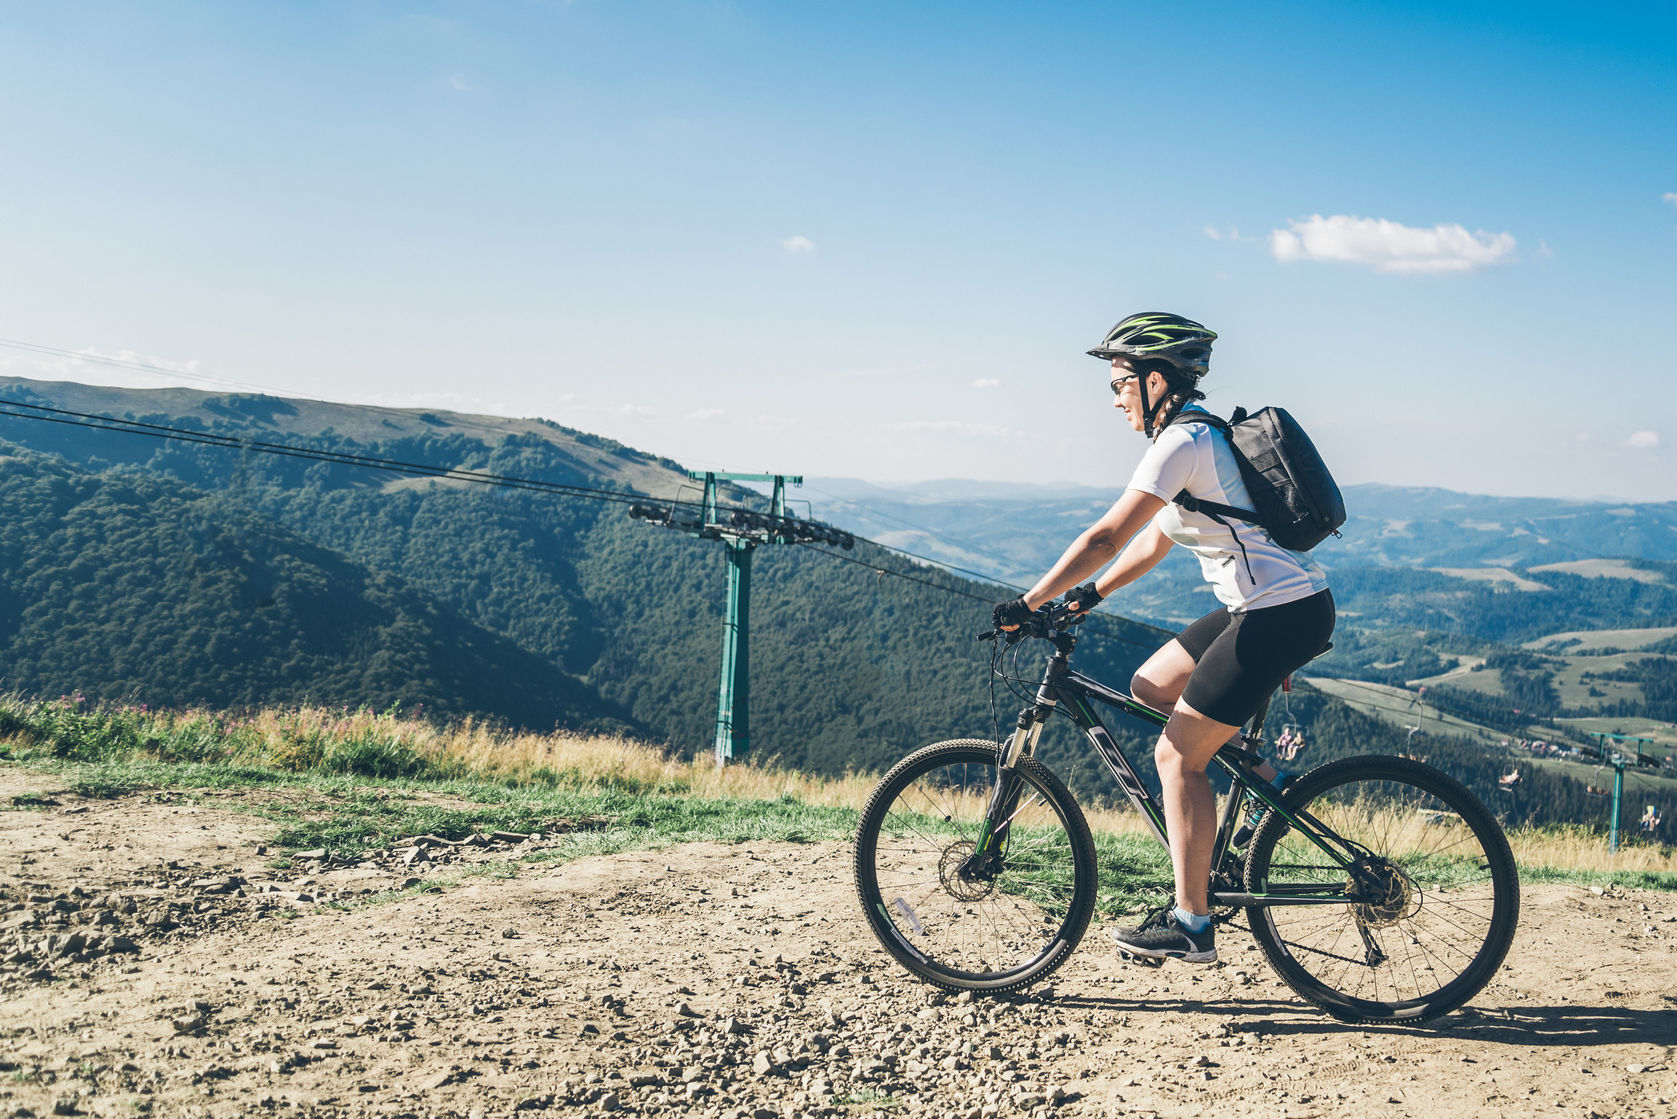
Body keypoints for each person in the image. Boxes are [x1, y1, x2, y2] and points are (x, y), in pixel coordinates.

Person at [992, 311, 1334, 965]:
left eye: (1119, 381)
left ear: (1155, 379)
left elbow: (1106, 537)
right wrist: (1088, 596)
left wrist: (1027, 601)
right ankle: (1273, 787)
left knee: (1177, 758)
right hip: (1269, 608)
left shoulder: (1182, 441)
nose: (1115, 396)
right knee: (1150, 684)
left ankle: (1191, 923)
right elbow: (1153, 540)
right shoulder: (1195, 437)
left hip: (1276, 613)